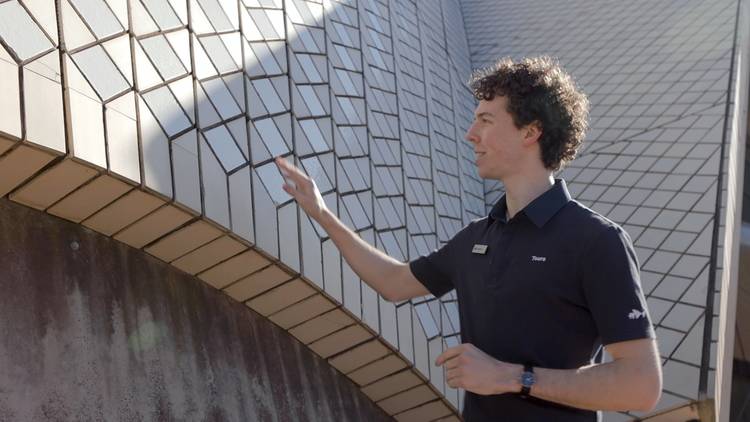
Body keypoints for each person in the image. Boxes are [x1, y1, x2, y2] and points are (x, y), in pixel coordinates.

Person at [275, 56, 662, 421]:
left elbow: (640, 386)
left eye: (486, 121)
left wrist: (512, 377)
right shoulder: (476, 238)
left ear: (531, 131)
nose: (470, 134)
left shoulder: (597, 241)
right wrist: (322, 214)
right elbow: (393, 283)